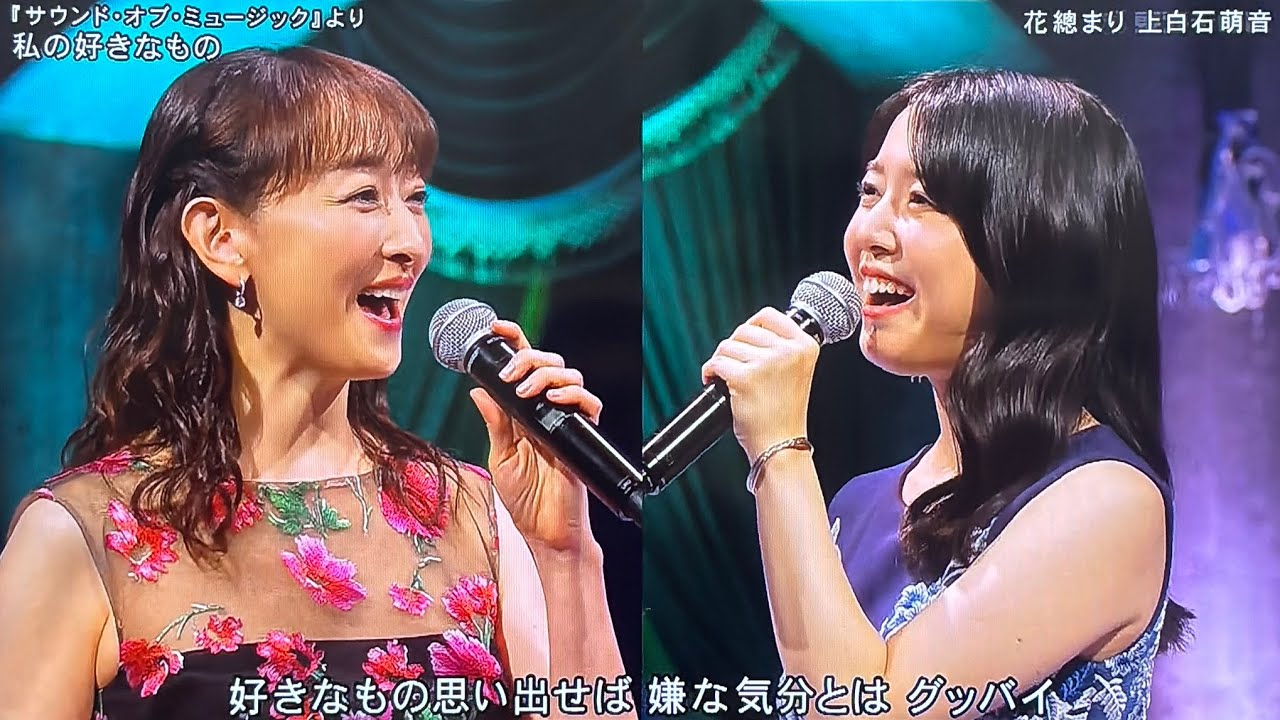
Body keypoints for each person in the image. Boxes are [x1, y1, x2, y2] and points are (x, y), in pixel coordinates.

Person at [0, 47, 631, 720]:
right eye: (364, 197)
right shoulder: (81, 537)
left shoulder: (472, 514)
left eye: (415, 199)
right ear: (221, 238)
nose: (411, 243)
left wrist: (564, 555)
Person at [700, 69, 1192, 719]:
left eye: (923, 200)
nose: (870, 233)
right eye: (870, 191)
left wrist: (780, 450)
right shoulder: (859, 504)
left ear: (1036, 238)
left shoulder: (1107, 499)